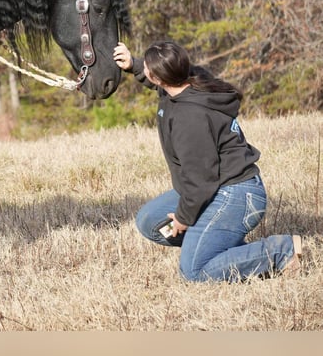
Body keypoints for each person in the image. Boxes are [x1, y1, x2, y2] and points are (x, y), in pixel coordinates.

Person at [113, 40, 302, 282]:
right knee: (150, 222)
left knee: (194, 271)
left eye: (148, 69)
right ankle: (222, 247)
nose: (146, 72)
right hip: (216, 187)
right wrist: (133, 65)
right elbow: (160, 78)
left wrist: (183, 218)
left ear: (160, 78)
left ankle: (281, 251)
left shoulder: (189, 119)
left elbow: (200, 181)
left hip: (236, 194)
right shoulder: (191, 80)